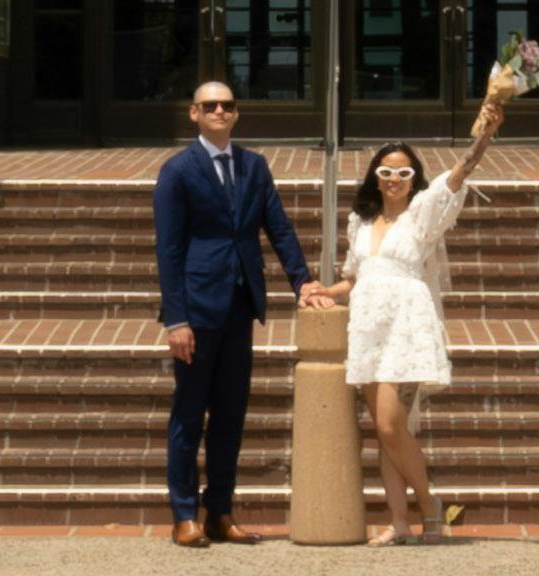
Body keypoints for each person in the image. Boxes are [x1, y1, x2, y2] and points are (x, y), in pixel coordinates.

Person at [338, 63, 513, 543]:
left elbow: (457, 178)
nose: (394, 178)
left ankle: (431, 504)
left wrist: (484, 138)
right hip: (368, 326)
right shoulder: (359, 222)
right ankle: (400, 523)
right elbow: (352, 280)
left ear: (414, 179)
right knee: (382, 429)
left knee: (393, 425)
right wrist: (317, 292)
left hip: (407, 326)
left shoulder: (421, 216)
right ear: (375, 177)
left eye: (404, 172)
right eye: (386, 171)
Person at [151, 69, 311, 547]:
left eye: (228, 105)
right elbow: (169, 250)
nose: (220, 111)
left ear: (236, 113)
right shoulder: (178, 171)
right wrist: (175, 318)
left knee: (230, 415)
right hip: (196, 312)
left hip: (240, 308)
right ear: (194, 114)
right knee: (189, 413)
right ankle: (183, 515)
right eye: (211, 105)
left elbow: (278, 228)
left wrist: (303, 282)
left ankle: (220, 510)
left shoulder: (254, 166)